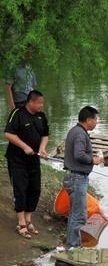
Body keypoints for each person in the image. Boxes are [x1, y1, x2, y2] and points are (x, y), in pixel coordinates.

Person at [4, 90, 49, 239]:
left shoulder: (41, 116)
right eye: (39, 103)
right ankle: (21, 223)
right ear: (31, 102)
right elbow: (9, 134)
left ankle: (29, 219)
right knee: (20, 189)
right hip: (17, 160)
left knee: (34, 189)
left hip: (34, 160)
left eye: (42, 103)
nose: (41, 106)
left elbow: (45, 135)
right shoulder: (17, 113)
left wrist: (42, 148)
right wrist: (24, 146)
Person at [62, 106, 104, 248]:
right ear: (88, 120)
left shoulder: (75, 130)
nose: (96, 122)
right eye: (95, 119)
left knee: (75, 213)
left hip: (72, 177)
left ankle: (71, 244)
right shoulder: (80, 134)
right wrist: (93, 160)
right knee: (80, 215)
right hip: (77, 178)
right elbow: (79, 154)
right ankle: (74, 247)